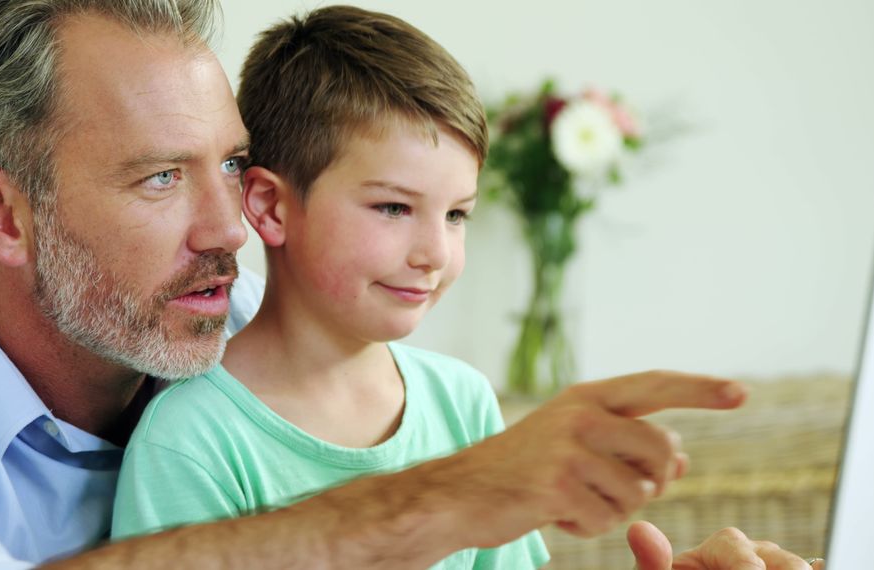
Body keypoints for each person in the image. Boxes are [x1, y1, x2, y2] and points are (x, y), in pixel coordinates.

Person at [0, 0, 822, 568]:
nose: (230, 229)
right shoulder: (198, 428)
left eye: (229, 163)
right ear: (0, 213)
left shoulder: (234, 314)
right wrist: (454, 496)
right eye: (158, 177)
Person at [110, 6, 551, 568]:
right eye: (393, 207)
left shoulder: (463, 403)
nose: (436, 253)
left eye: (457, 215)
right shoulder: (192, 441)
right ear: (271, 207)